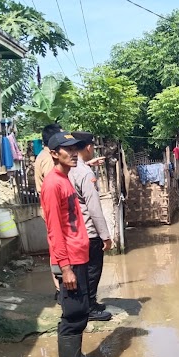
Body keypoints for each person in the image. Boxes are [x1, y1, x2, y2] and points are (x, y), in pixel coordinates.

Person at [41, 131, 100, 357]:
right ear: (54, 154)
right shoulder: (53, 184)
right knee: (74, 313)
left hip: (79, 254)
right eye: (67, 149)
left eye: (75, 148)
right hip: (69, 260)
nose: (74, 153)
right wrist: (65, 268)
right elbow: (54, 229)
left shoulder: (66, 178)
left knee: (83, 308)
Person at [69, 131, 112, 321]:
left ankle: (89, 303)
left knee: (83, 271)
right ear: (88, 147)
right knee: (93, 270)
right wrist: (105, 235)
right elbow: (94, 207)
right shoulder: (86, 174)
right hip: (90, 231)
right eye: (92, 146)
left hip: (76, 229)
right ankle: (90, 307)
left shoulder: (69, 168)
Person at [35, 123, 64, 301]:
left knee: (56, 247)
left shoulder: (44, 156)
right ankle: (61, 289)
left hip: (51, 208)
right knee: (57, 248)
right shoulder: (48, 159)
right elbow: (53, 185)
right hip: (53, 209)